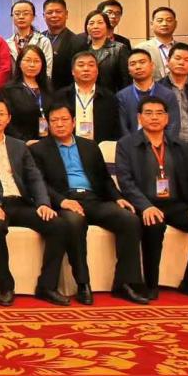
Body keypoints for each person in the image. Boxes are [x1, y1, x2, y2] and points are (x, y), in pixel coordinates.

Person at [30, 102, 148, 305]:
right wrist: (63, 201)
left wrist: (118, 198)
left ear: (74, 122)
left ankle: (125, 283)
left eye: (64, 119)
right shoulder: (38, 149)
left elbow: (105, 179)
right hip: (66, 201)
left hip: (94, 199)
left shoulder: (89, 146)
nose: (59, 124)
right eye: (54, 120)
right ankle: (83, 283)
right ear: (48, 124)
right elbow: (39, 184)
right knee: (74, 222)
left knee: (129, 219)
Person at [0, 96, 69, 307]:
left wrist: (43, 203)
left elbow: (34, 177)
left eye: (1, 114)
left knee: (58, 225)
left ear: (9, 118)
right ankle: (5, 286)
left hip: (20, 203)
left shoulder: (19, 146)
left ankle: (47, 286)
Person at [115, 96, 188, 301]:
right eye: (148, 113)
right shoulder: (126, 144)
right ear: (139, 118)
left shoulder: (178, 144)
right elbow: (126, 182)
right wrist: (145, 206)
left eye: (159, 113)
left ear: (167, 118)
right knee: (154, 225)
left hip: (176, 204)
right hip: (146, 204)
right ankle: (150, 285)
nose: (154, 118)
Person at [54, 52, 124, 145]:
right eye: (81, 65)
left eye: (91, 65)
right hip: (68, 148)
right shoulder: (60, 96)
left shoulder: (109, 98)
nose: (86, 69)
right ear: (73, 71)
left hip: (99, 149)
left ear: (97, 71)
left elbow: (115, 130)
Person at [116, 49, 181, 137]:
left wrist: (161, 143)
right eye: (133, 64)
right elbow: (122, 128)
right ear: (128, 70)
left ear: (152, 65)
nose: (138, 67)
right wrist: (133, 144)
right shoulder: (122, 96)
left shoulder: (168, 94)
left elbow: (173, 126)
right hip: (132, 144)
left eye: (142, 62)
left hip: (162, 144)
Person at [0, 45, 52, 143]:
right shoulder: (9, 90)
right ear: (19, 63)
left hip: (47, 142)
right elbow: (7, 121)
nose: (32, 65)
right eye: (27, 60)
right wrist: (23, 141)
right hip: (21, 143)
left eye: (36, 61)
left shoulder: (48, 87)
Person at [42, 0, 84, 90]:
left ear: (66, 14)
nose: (54, 15)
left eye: (58, 12)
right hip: (40, 92)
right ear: (44, 16)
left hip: (65, 93)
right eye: (49, 12)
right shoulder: (38, 39)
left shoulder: (77, 41)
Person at [84, 10, 131, 93]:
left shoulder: (119, 49)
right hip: (87, 96)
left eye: (100, 23)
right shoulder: (82, 48)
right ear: (86, 27)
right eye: (91, 23)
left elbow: (126, 80)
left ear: (107, 26)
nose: (95, 26)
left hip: (112, 97)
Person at [7, 0, 54, 82]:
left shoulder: (43, 41)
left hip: (38, 85)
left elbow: (47, 71)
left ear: (33, 17)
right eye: (17, 14)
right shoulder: (7, 43)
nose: (21, 17)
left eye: (26, 13)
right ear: (12, 17)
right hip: (14, 86)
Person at [136, 6, 179, 79]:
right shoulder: (141, 49)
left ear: (175, 24)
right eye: (160, 21)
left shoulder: (183, 48)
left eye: (169, 20)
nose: (164, 24)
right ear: (152, 24)